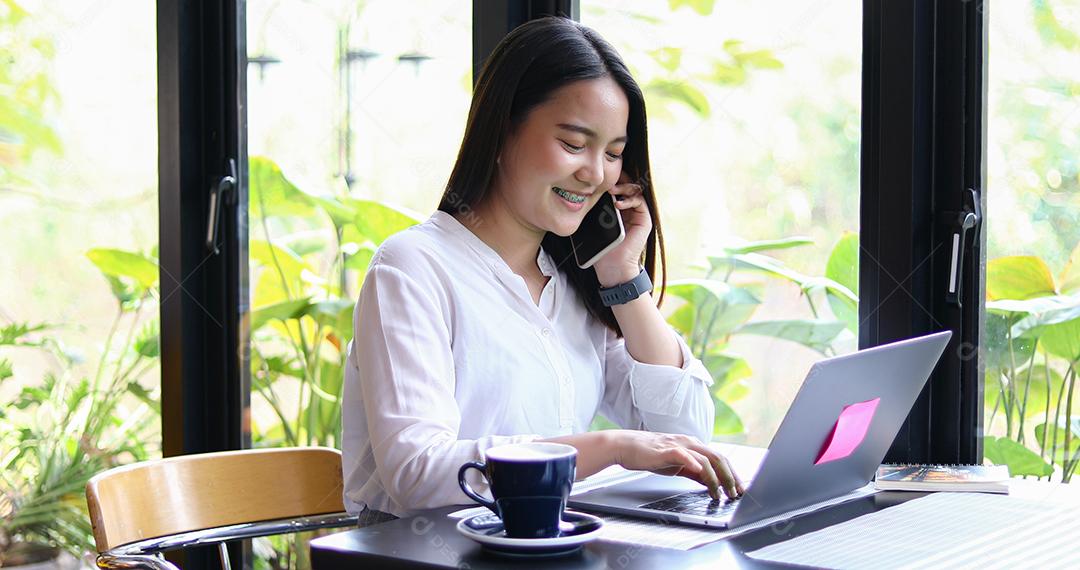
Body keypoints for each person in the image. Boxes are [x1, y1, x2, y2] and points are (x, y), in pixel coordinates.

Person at [341, 16, 743, 524]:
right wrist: (609, 447)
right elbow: (417, 470)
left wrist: (623, 276)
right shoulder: (412, 269)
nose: (595, 173)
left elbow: (686, 430)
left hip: (548, 549)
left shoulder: (576, 278)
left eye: (613, 154)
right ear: (503, 128)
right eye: (574, 144)